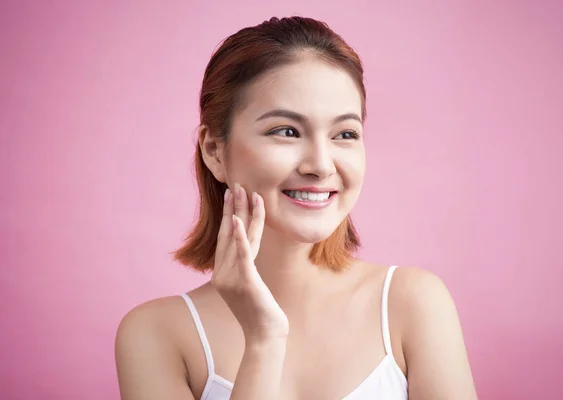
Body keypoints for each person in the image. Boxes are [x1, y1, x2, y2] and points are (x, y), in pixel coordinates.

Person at [115, 16, 478, 400]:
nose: (321, 165)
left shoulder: (413, 303)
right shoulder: (155, 335)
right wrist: (264, 340)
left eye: (345, 134)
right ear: (214, 150)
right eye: (286, 131)